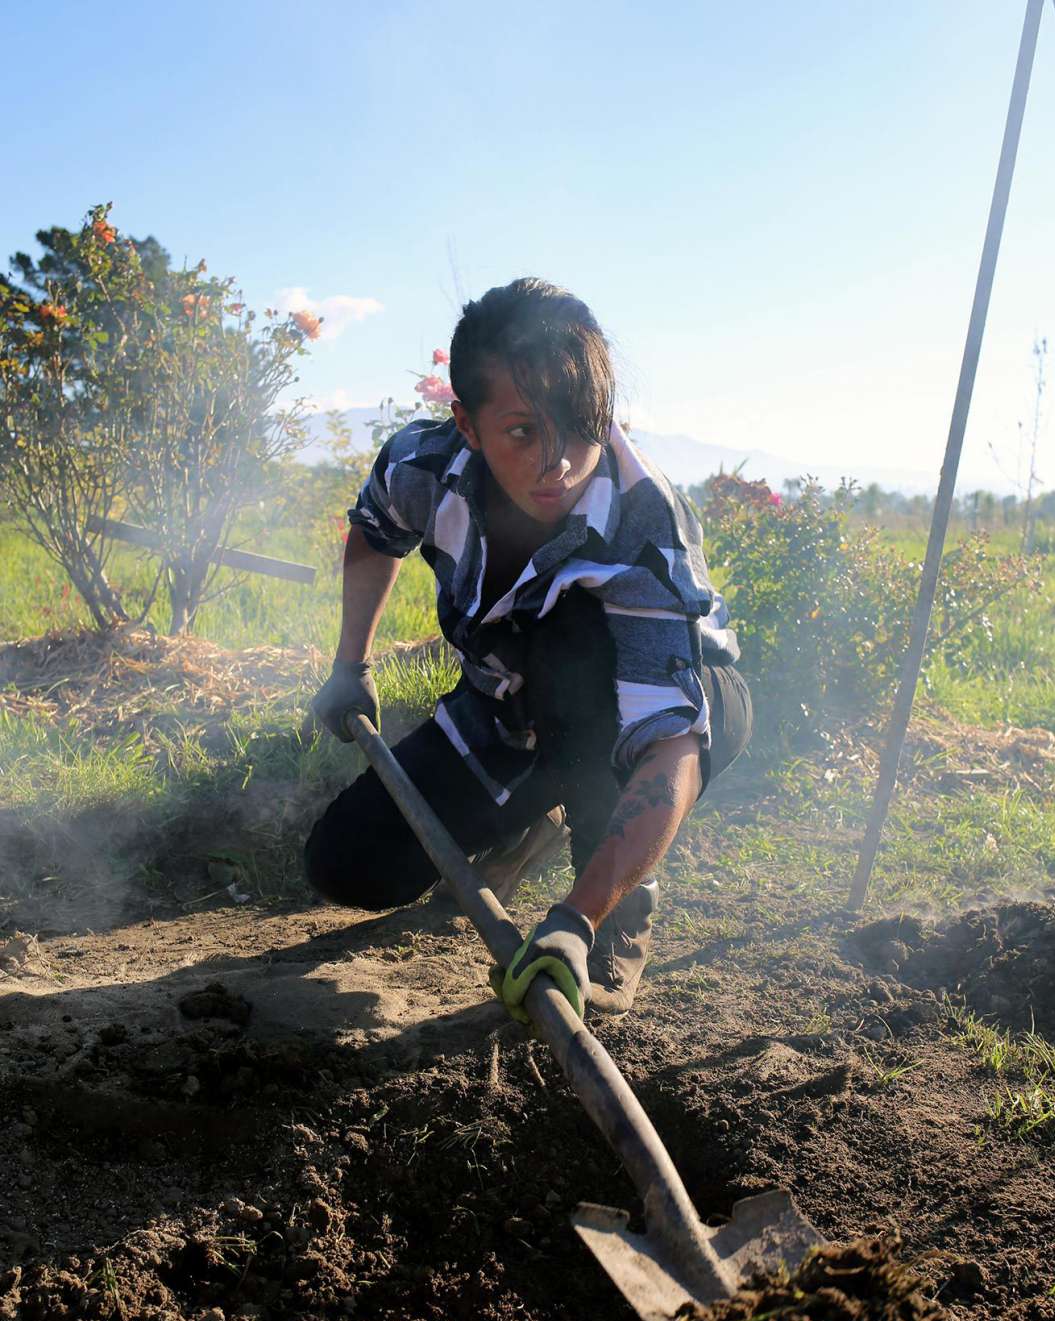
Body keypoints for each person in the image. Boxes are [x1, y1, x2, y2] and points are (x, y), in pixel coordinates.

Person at [305, 278, 751, 1021]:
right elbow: (375, 531)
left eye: (580, 427)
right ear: (468, 427)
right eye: (522, 432)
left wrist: (576, 920)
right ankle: (535, 811)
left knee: (573, 641)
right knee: (346, 862)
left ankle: (614, 917)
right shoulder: (426, 464)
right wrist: (351, 665)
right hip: (509, 709)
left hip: (675, 707)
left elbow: (666, 741)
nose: (559, 463)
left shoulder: (640, 522)